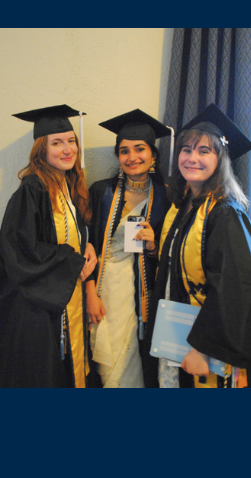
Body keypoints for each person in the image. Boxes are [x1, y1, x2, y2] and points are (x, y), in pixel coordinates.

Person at [151, 104, 251, 388]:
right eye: (187, 150)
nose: (192, 158)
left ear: (220, 159)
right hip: (181, 337)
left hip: (209, 350)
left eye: (204, 151)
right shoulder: (185, 203)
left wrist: (204, 348)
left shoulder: (225, 211)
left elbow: (238, 285)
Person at [0, 105, 98, 388]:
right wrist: (72, 261)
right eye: (57, 143)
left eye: (71, 141)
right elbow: (22, 251)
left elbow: (68, 235)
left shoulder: (65, 184)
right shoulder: (33, 189)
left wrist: (87, 245)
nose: (67, 149)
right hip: (36, 309)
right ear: (42, 150)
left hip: (62, 301)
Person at [85, 110, 171, 388]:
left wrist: (153, 245)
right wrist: (89, 291)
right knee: (107, 366)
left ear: (153, 155)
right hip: (104, 290)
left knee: (135, 362)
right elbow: (86, 246)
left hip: (142, 295)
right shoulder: (101, 191)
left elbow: (174, 255)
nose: (132, 157)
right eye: (124, 151)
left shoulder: (166, 196)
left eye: (140, 149)